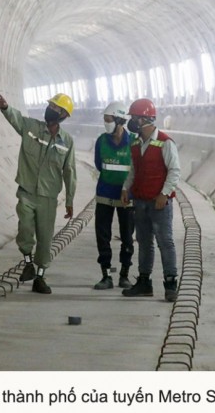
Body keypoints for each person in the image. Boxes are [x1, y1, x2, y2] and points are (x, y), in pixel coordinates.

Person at [0, 92, 76, 294]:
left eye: (57, 109)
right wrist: (6, 107)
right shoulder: (31, 127)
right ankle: (27, 262)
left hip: (48, 197)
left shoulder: (67, 141)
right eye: (51, 106)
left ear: (64, 115)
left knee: (45, 239)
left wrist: (70, 200)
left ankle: (40, 276)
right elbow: (17, 120)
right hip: (27, 191)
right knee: (25, 230)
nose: (52, 110)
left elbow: (69, 171)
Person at [121, 98, 181, 302]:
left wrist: (164, 194)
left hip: (159, 202)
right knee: (144, 242)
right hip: (140, 201)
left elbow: (174, 171)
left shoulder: (165, 142)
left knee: (166, 242)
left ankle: (171, 283)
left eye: (134, 118)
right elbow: (133, 170)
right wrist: (126, 188)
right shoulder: (136, 143)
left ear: (145, 119)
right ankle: (144, 282)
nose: (131, 122)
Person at [92, 101, 135, 290]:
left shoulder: (134, 141)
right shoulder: (101, 141)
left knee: (127, 236)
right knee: (103, 235)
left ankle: (124, 274)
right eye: (104, 119)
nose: (105, 123)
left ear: (119, 120)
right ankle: (106, 275)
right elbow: (99, 165)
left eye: (108, 120)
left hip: (127, 197)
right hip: (104, 195)